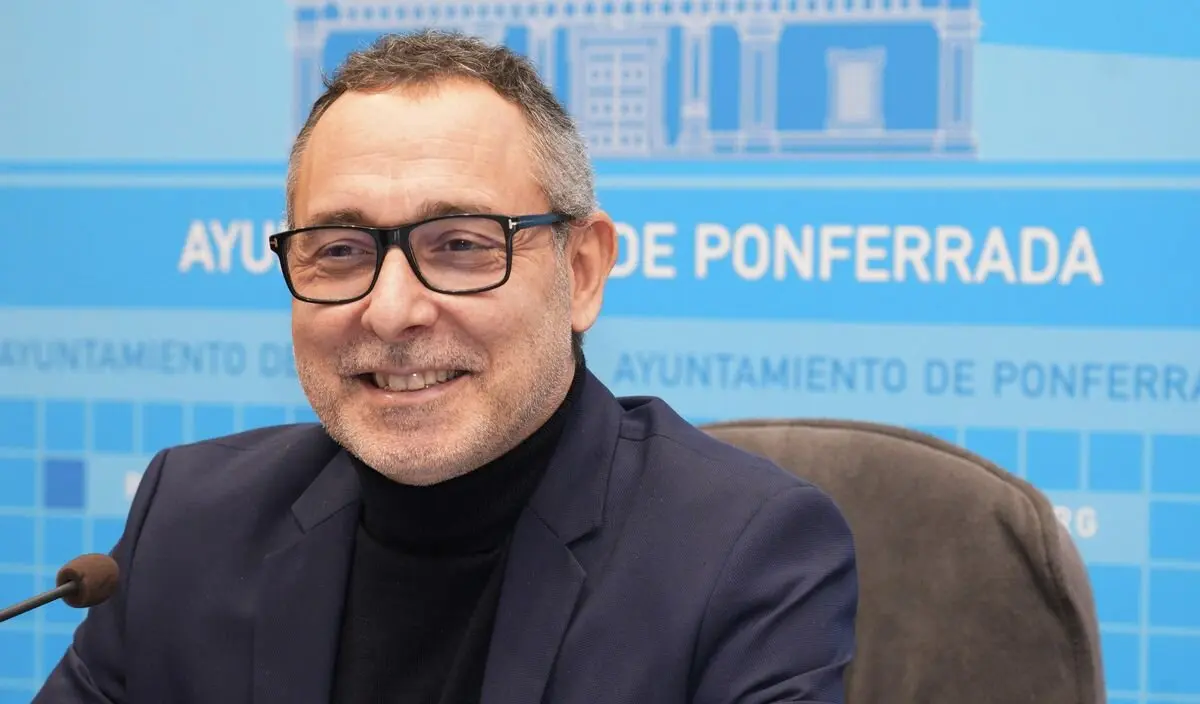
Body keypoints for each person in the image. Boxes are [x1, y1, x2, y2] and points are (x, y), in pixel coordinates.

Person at [35, 29, 858, 704]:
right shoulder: (190, 520)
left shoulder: (744, 553)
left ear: (581, 273)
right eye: (341, 250)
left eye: (460, 245)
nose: (391, 310)